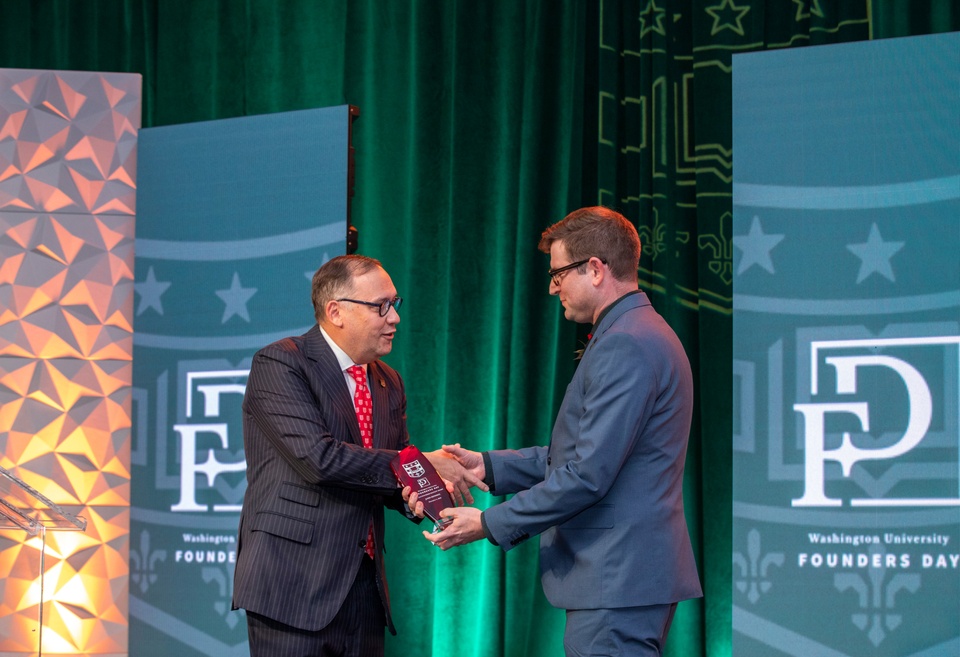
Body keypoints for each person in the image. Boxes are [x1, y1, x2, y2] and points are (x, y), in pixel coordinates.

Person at [407, 207, 703, 656]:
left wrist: (488, 523)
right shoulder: (635, 332)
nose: (552, 286)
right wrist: (483, 465)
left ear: (596, 270)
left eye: (559, 273)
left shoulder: (627, 342)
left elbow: (587, 474)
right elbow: (580, 455)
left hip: (615, 579)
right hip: (622, 579)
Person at [232, 254, 481, 657]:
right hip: (292, 584)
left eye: (395, 304)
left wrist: (425, 497)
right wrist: (418, 464)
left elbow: (393, 472)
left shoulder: (388, 381)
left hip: (363, 590)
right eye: (381, 306)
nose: (394, 318)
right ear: (336, 311)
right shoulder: (282, 363)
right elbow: (318, 459)